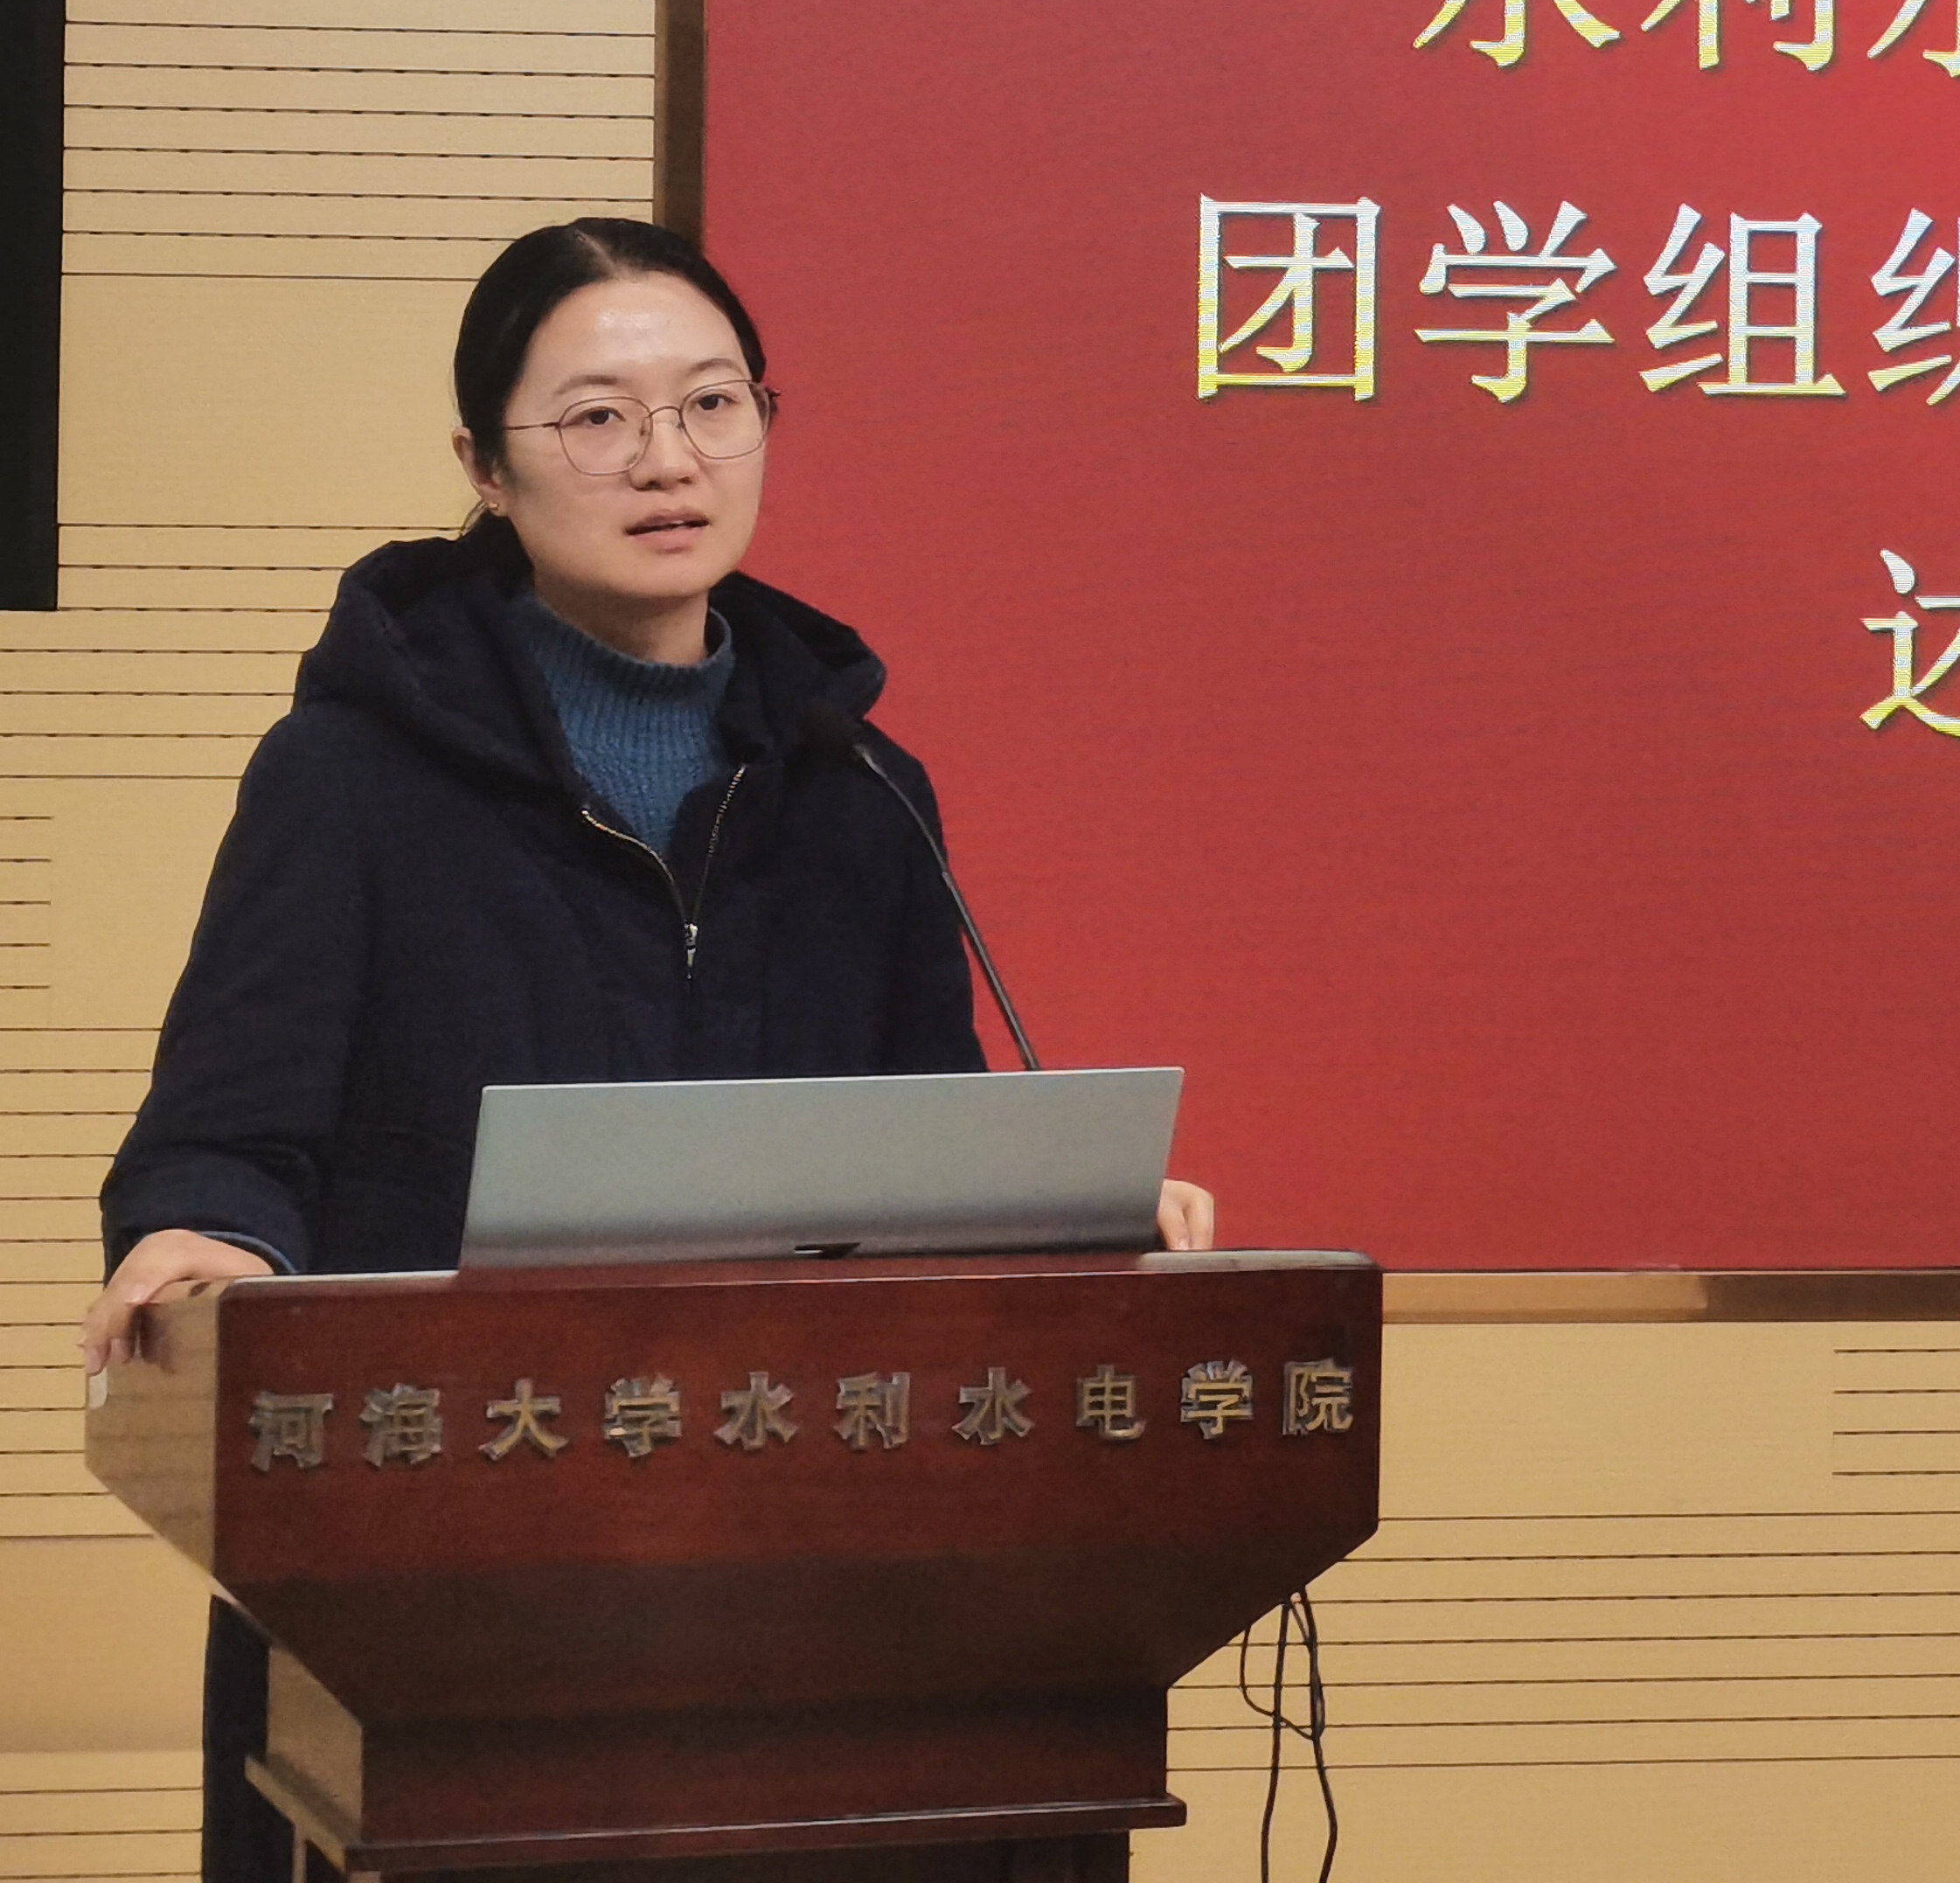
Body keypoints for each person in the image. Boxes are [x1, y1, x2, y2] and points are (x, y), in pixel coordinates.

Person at [80, 217, 1211, 1883]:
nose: (668, 459)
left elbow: (925, 1152)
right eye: (597, 418)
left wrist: (1075, 1219)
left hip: (810, 1585)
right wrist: (210, 1238)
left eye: (712, 403)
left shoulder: (861, 792)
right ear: (485, 466)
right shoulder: (348, 779)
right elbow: (228, 1134)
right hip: (447, 1572)